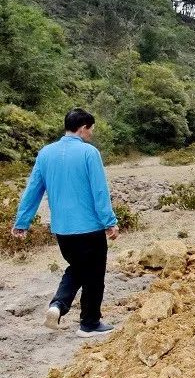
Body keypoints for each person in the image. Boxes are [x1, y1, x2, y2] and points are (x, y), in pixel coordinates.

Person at [10, 108, 119, 337]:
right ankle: (89, 324)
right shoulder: (90, 153)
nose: (91, 134)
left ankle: (58, 306)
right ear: (83, 128)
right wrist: (110, 221)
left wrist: (22, 222)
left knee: (78, 268)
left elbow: (33, 189)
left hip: (62, 230)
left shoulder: (46, 153)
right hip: (89, 228)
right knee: (94, 275)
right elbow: (99, 191)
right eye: (91, 129)